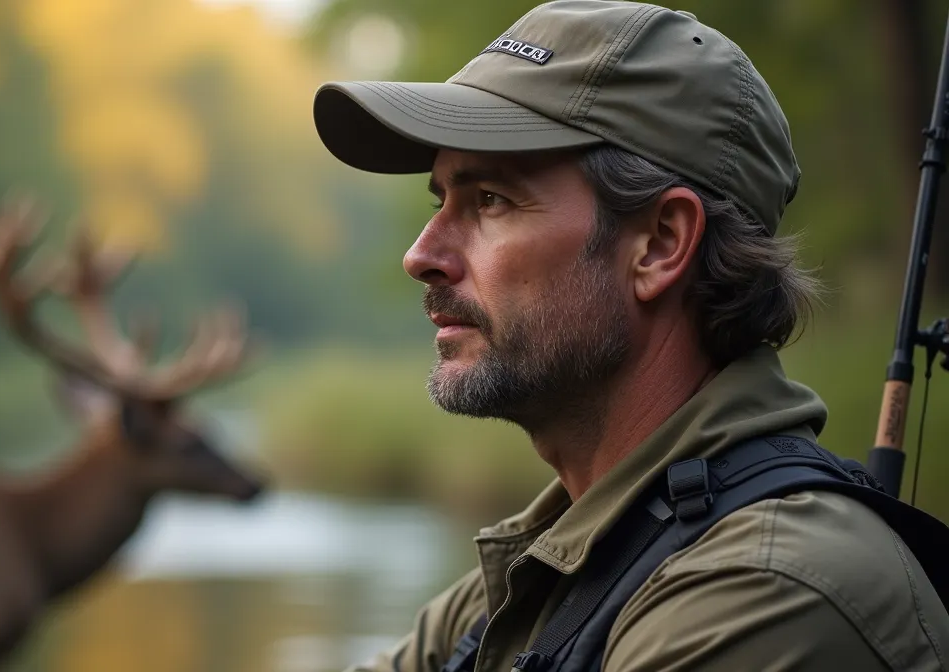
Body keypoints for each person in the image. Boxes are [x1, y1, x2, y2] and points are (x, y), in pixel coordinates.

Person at [311, 1, 949, 671]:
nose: (422, 254)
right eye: (439, 199)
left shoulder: (767, 594)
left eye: (490, 199)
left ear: (660, 244)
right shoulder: (533, 579)